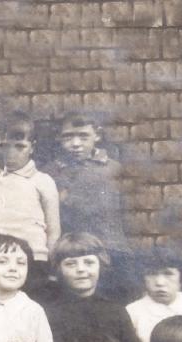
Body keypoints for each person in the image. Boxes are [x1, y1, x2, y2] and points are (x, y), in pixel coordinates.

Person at [42, 111, 132, 302]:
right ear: (59, 138)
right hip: (71, 253)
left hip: (111, 250)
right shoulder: (50, 172)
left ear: (97, 136)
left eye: (83, 136)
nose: (75, 144)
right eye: (68, 137)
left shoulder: (114, 169)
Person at [44, 231, 144, 342]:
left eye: (89, 262)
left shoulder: (116, 311)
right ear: (58, 269)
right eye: (71, 264)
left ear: (100, 265)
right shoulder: (50, 314)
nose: (81, 269)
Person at [0, 112, 60, 297]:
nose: (11, 153)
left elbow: (53, 231)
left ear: (32, 147)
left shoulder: (43, 181)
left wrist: (51, 268)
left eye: (20, 146)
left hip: (34, 262)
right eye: (3, 146)